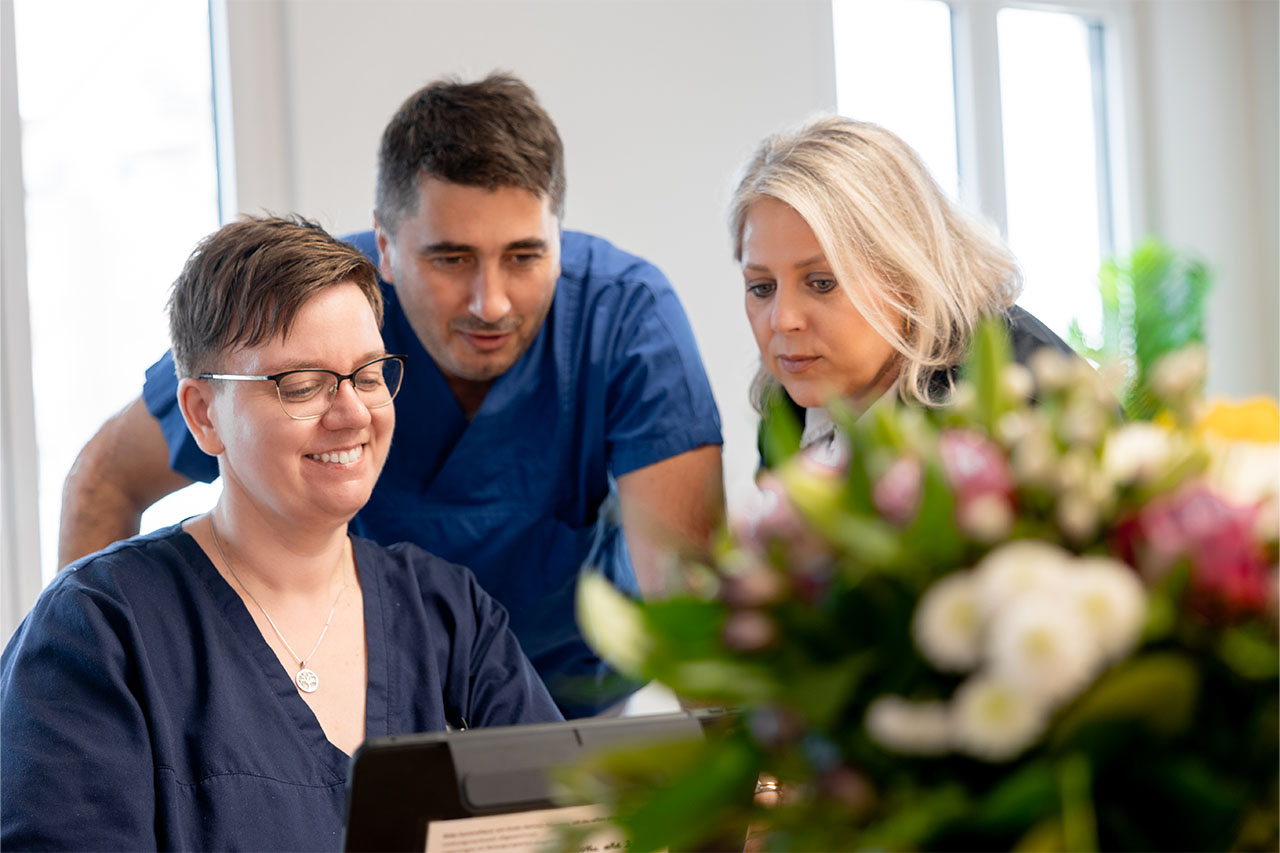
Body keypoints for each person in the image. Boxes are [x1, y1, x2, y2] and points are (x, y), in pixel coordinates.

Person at [58, 73, 725, 717]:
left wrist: (753, 781)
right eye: (450, 258)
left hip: (570, 700)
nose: (491, 303)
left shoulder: (625, 318)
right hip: (366, 702)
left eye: (524, 257)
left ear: (560, 237)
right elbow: (103, 479)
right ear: (385, 245)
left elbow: (689, 597)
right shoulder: (320, 310)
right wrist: (98, 697)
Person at [2, 216, 562, 851]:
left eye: (370, 376)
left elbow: (571, 826)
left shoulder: (451, 619)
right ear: (203, 415)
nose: (352, 413)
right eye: (301, 385)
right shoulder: (98, 632)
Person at [729, 116, 1075, 465]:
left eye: (822, 283)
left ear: (908, 276)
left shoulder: (1018, 402)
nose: (782, 320)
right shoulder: (792, 395)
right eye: (761, 288)